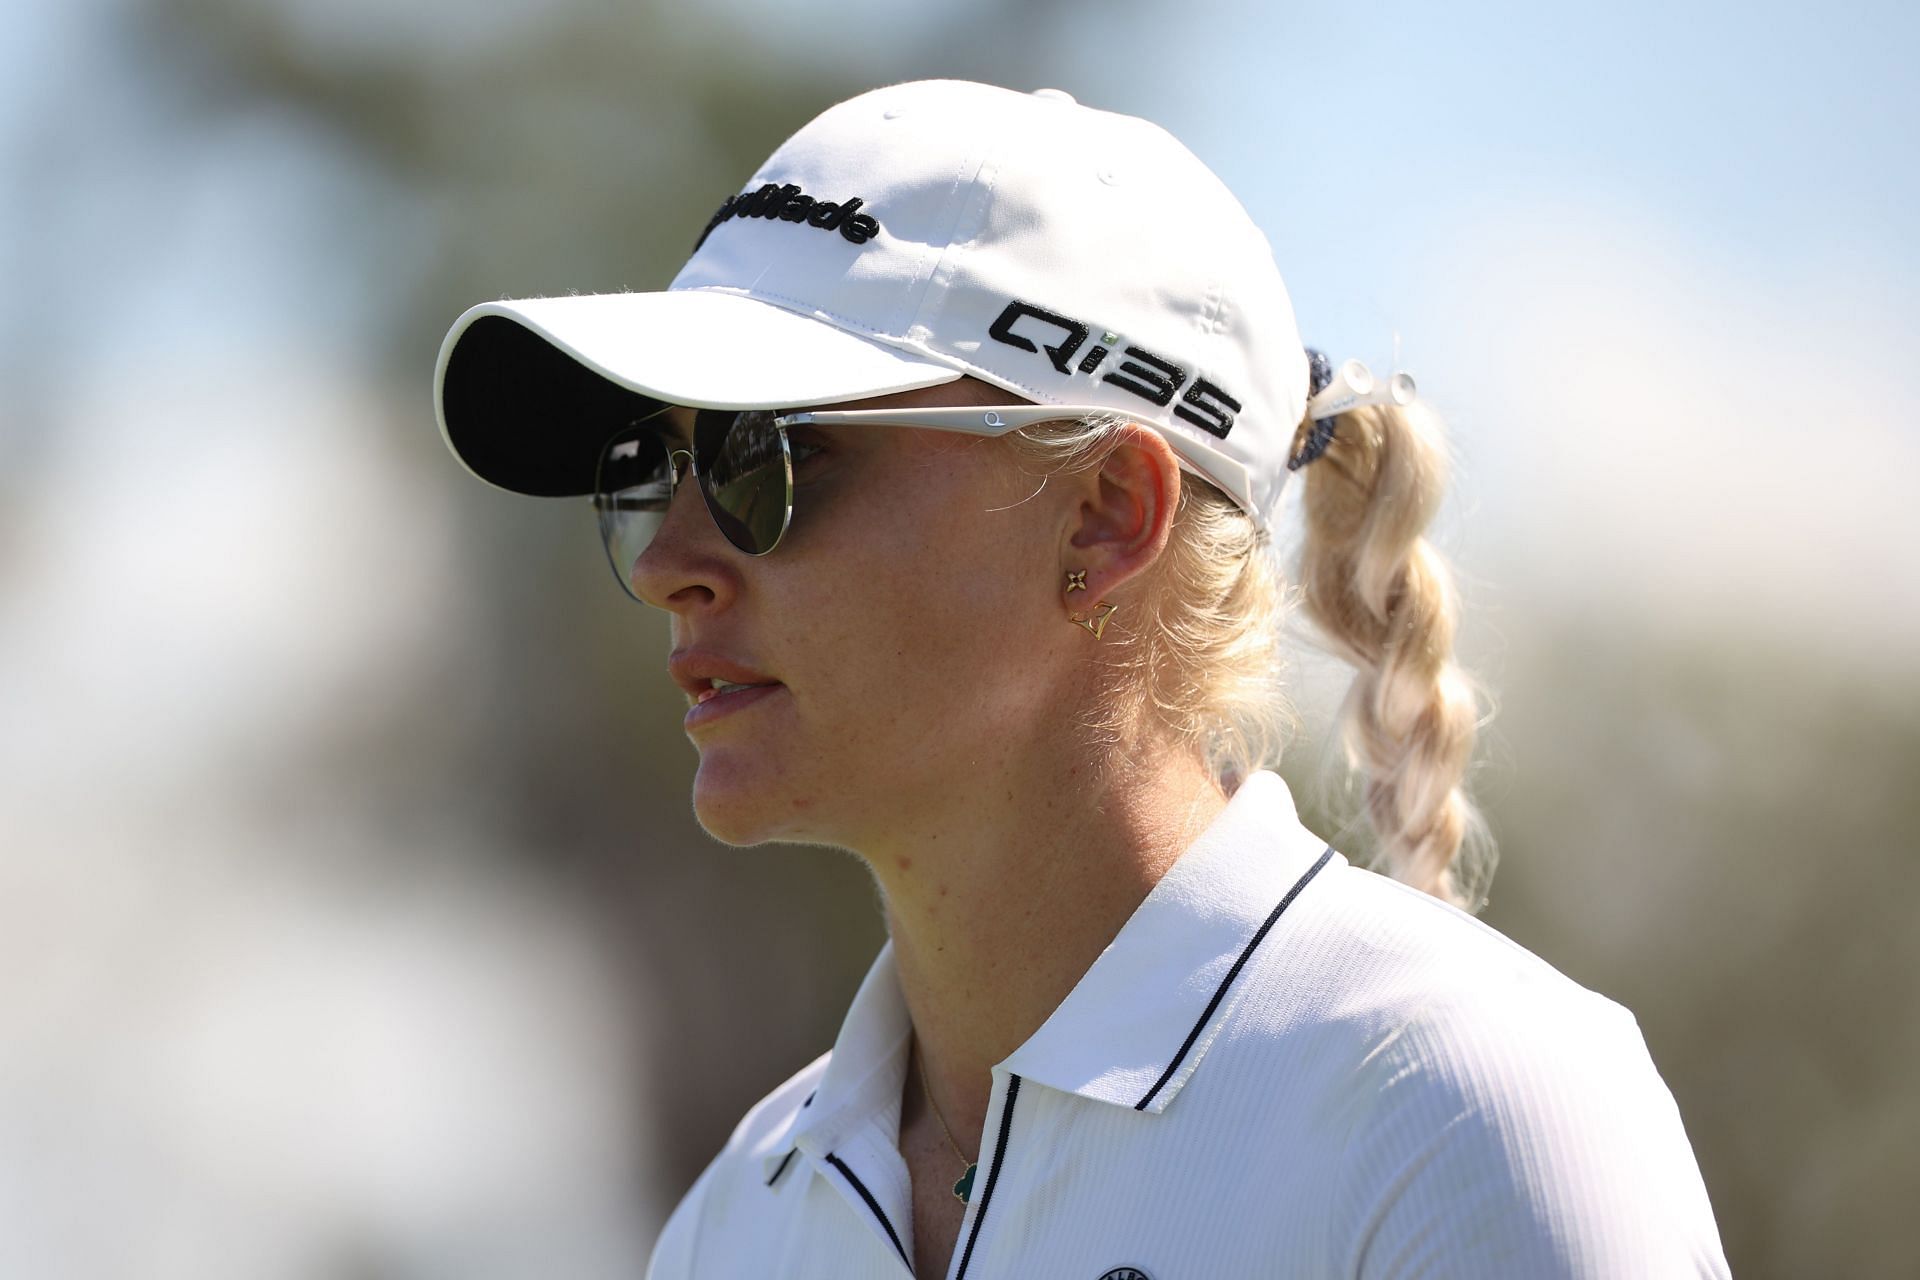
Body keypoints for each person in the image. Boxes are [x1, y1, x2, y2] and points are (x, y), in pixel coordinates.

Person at [433, 80, 1728, 1279]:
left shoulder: (1462, 1118)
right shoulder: (734, 1228)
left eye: (764, 457)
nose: (668, 562)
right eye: (651, 469)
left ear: (1108, 513)